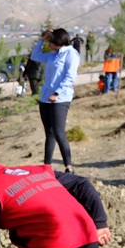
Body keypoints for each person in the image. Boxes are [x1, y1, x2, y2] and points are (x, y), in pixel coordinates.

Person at [30, 28, 81, 171]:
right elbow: (35, 56)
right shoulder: (53, 55)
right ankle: (47, 166)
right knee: (49, 133)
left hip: (61, 98)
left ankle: (69, 166)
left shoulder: (71, 54)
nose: (48, 44)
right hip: (45, 98)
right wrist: (41, 39)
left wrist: (57, 93)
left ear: (57, 41)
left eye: (50, 41)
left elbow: (70, 76)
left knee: (59, 132)